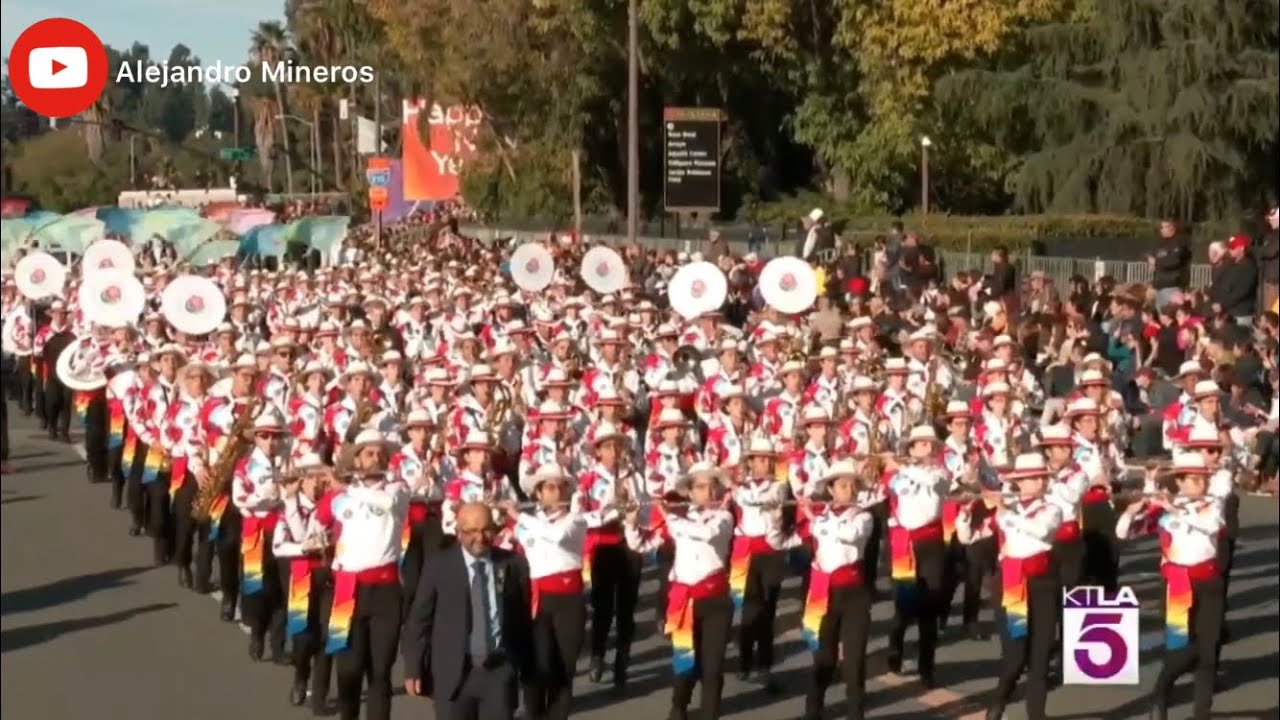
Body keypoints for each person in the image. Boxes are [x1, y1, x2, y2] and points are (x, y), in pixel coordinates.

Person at [1116, 454, 1225, 720]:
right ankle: (1160, 694)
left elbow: (1210, 526)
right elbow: (1124, 533)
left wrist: (1175, 509)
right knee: (1180, 649)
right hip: (1176, 586)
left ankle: (1202, 712)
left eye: (1204, 479)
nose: (1201, 484)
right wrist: (1132, 511)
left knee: (1208, 651)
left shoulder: (1213, 505)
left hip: (1208, 582)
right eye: (1194, 480)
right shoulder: (1163, 511)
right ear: (1180, 481)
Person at [402, 501, 533, 720]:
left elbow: (522, 619)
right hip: (454, 674)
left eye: (486, 530)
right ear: (458, 533)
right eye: (471, 531)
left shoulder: (513, 564)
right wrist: (413, 668)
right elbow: (419, 621)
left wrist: (524, 665)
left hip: (498, 672)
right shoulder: (439, 566)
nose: (480, 538)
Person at [623, 462, 733, 720]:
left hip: (715, 601)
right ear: (691, 492)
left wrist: (670, 517)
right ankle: (678, 707)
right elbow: (642, 544)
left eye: (711, 486)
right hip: (684, 602)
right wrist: (631, 524)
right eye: (701, 487)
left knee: (713, 668)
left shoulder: (723, 517)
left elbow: (706, 534)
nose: (707, 492)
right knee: (685, 665)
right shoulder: (678, 520)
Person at [321, 429, 409, 720]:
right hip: (346, 588)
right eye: (369, 453)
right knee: (348, 671)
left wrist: (345, 488)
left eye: (380, 454)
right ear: (357, 459)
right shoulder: (341, 496)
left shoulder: (398, 490)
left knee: (380, 672)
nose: (376, 459)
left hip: (385, 592)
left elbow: (384, 504)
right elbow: (324, 519)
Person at [982, 453, 1063, 720]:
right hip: (1012, 585)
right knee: (1016, 657)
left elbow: (1039, 531)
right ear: (1019, 482)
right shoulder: (1006, 509)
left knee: (1040, 658)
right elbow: (968, 535)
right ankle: (998, 701)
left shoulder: (1052, 509)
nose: (1037, 481)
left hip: (1043, 586)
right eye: (1030, 478)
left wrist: (1004, 512)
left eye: (1040, 477)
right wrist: (969, 513)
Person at [797, 459, 874, 720]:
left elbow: (850, 534)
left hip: (854, 595)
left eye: (853, 486)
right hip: (823, 594)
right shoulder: (821, 517)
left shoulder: (863, 516)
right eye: (843, 486)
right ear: (831, 489)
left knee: (854, 664)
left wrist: (815, 519)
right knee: (824, 660)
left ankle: (856, 714)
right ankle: (813, 711)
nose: (849, 491)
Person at [512, 464, 586, 720]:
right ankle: (532, 712)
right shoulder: (529, 523)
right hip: (538, 599)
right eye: (550, 487)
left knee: (563, 669)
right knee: (537, 665)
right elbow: (512, 547)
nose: (556, 492)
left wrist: (518, 515)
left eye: (561, 486)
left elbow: (556, 536)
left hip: (569, 599)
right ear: (539, 494)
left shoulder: (575, 520)